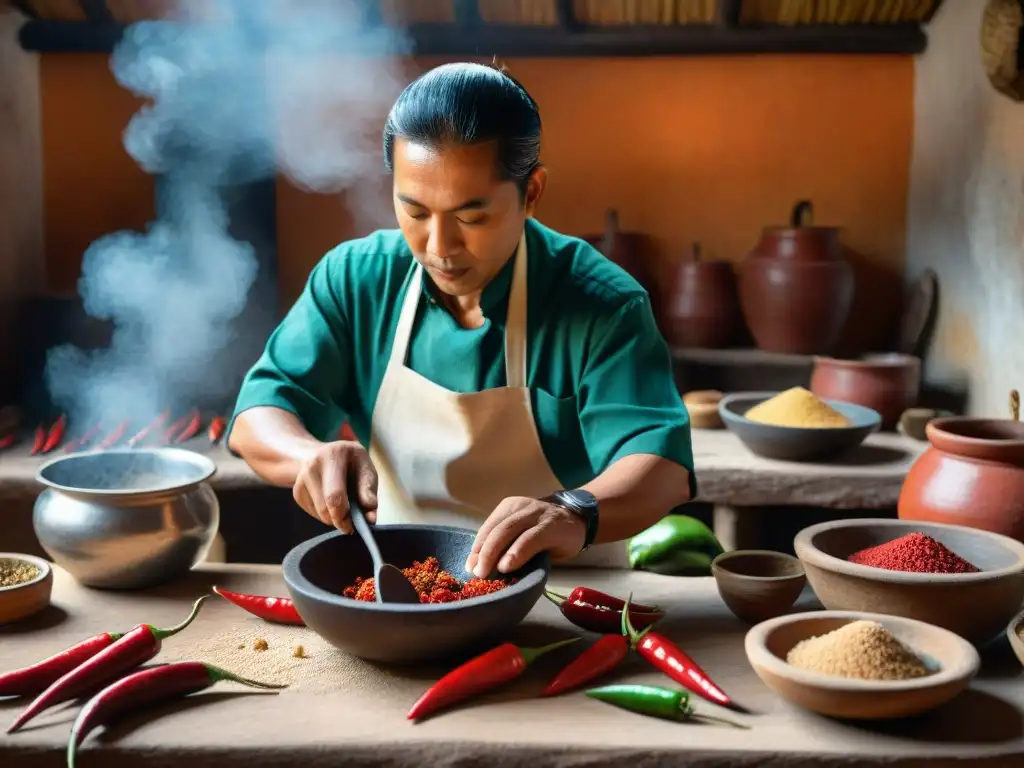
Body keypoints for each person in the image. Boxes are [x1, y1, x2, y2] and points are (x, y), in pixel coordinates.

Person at [228, 61, 696, 576]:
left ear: (532, 193)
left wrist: (572, 509)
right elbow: (259, 413)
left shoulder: (600, 302)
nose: (439, 247)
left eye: (471, 217)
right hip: (403, 586)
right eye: (415, 211)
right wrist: (308, 457)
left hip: (567, 593)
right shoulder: (356, 280)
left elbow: (660, 468)